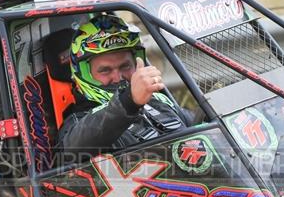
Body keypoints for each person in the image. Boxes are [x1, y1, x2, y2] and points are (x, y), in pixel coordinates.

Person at [55, 14, 189, 163]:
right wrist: (130, 101)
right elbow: (72, 149)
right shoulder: (77, 122)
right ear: (85, 74)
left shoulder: (160, 101)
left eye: (125, 66)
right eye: (105, 70)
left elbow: (201, 127)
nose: (118, 77)